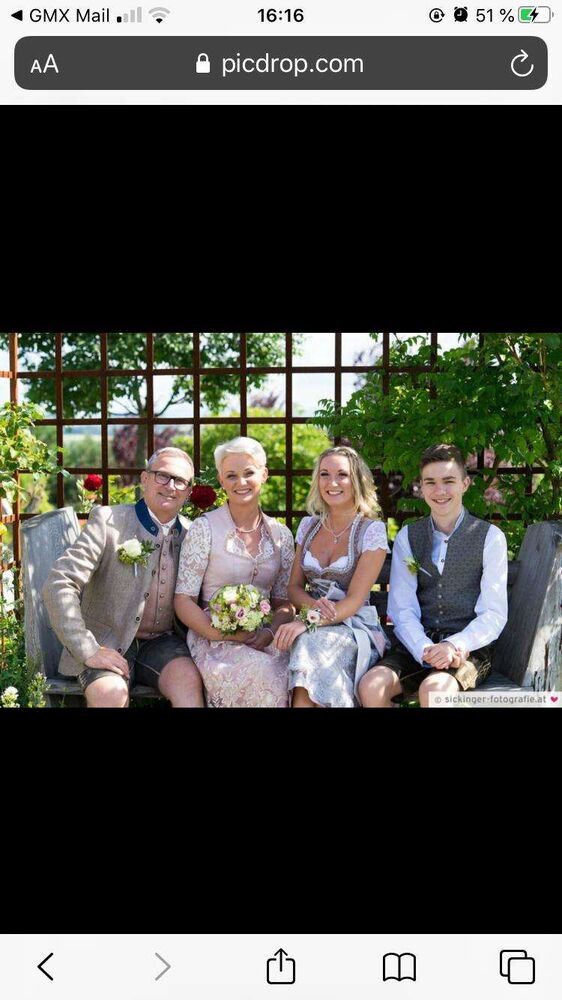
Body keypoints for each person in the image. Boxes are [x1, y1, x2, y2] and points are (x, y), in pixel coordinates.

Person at [42, 447, 204, 708]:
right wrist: (88, 648)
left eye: (180, 481)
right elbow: (59, 583)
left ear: (188, 492)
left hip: (163, 644)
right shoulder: (108, 521)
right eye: (162, 475)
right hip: (105, 641)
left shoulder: (193, 534)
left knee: (188, 684)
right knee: (110, 694)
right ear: (144, 478)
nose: (170, 486)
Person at [359, 443, 508, 708]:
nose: (439, 491)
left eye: (448, 481)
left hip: (469, 648)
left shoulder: (490, 537)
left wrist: (454, 645)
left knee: (435, 691)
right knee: (372, 686)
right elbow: (402, 608)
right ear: (422, 487)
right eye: (431, 482)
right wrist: (423, 648)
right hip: (418, 643)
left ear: (465, 484)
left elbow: (493, 613)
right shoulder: (408, 537)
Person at [174, 436, 295, 707]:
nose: (241, 482)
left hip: (266, 638)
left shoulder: (281, 535)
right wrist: (222, 634)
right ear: (221, 480)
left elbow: (284, 603)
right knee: (261, 673)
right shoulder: (204, 528)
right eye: (231, 475)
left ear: (264, 474)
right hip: (214, 639)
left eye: (249, 473)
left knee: (294, 674)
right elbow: (183, 601)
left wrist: (271, 633)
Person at [272, 446, 390, 708]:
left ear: (357, 480)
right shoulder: (308, 526)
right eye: (324, 474)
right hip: (313, 620)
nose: (332, 482)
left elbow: (354, 600)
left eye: (342, 475)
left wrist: (309, 622)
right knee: (292, 648)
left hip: (353, 627)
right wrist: (314, 609)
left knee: (308, 643)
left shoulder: (371, 531)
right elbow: (293, 587)